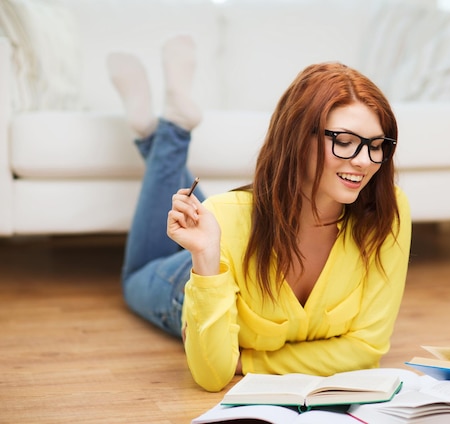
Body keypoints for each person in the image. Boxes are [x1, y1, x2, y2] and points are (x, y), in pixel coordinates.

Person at [107, 35, 412, 393]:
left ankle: (155, 133)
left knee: (219, 215)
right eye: (344, 141)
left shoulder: (388, 211)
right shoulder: (225, 219)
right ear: (298, 137)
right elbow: (212, 376)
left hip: (235, 231)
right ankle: (169, 130)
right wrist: (205, 258)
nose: (363, 161)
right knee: (135, 280)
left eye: (377, 146)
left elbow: (365, 351)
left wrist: (247, 362)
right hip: (194, 283)